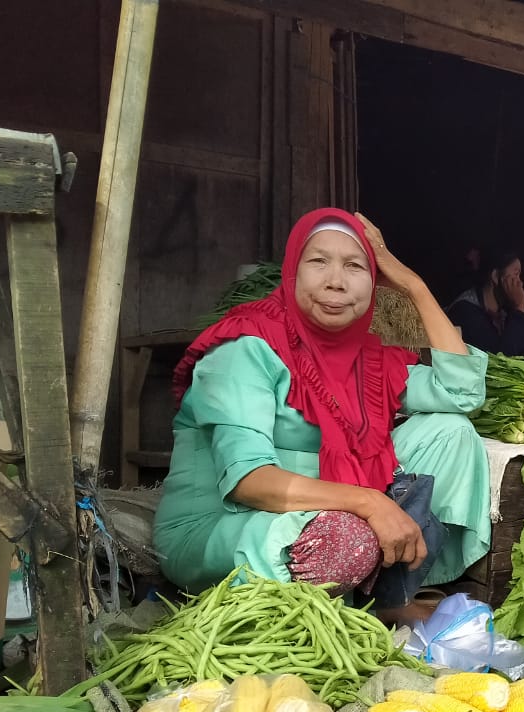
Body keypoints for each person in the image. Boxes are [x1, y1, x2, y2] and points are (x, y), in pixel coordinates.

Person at [152, 207, 493, 601]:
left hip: (331, 513)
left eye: (354, 266)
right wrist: (370, 502)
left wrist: (412, 284)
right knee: (345, 539)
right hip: (226, 527)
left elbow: (462, 392)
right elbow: (249, 482)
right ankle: (369, 605)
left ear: (374, 281)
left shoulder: (368, 359)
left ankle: (384, 596)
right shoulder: (246, 346)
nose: (336, 282)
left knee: (451, 432)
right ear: (293, 273)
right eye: (318, 262)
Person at [446, 247, 524, 355]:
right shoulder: (465, 312)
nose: (520, 283)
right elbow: (500, 359)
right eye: (516, 274)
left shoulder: (502, 313)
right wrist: (520, 307)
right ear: (495, 276)